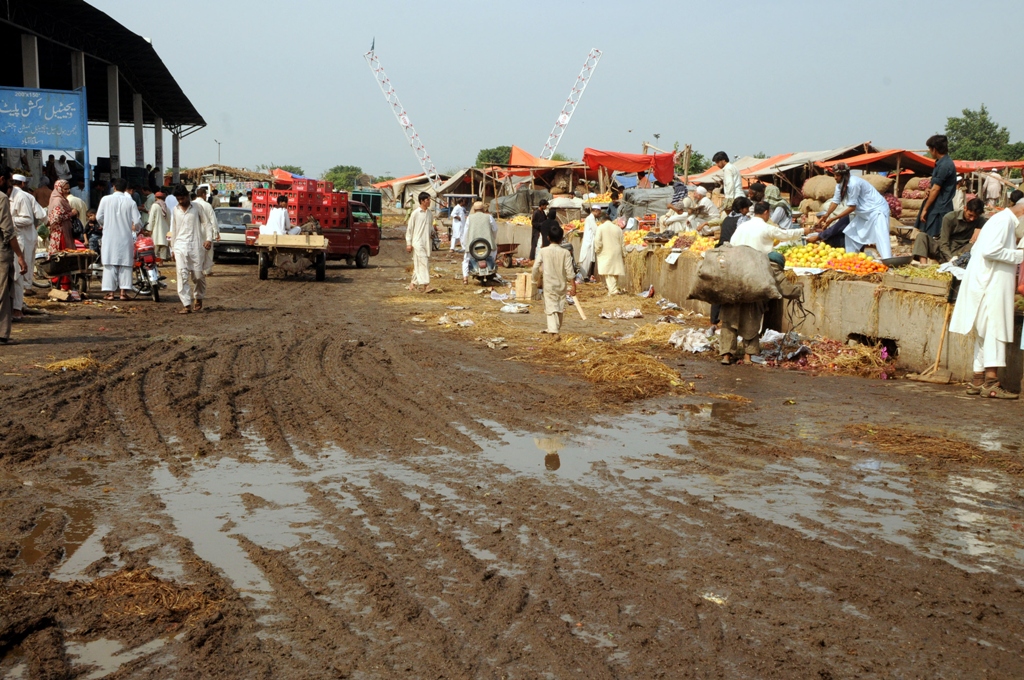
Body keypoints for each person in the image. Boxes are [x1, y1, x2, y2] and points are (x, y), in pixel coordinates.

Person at [948, 192, 1024, 399]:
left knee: (984, 334)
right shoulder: (1004, 222)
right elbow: (991, 251)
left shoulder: (1000, 220)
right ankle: (991, 383)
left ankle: (978, 381)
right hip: (990, 286)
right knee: (994, 333)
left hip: (987, 283)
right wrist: (1020, 255)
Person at [719, 252, 802, 365]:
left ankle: (726, 357)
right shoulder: (774, 270)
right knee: (751, 328)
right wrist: (799, 287)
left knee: (729, 326)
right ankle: (747, 357)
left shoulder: (750, 264)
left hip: (732, 299)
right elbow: (788, 291)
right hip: (752, 303)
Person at [817, 163, 892, 259]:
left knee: (882, 236)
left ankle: (888, 261)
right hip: (863, 213)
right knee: (851, 234)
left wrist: (833, 219)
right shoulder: (839, 185)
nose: (835, 178)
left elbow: (852, 207)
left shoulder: (853, 184)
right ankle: (852, 259)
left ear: (844, 175)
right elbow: (835, 201)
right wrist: (826, 215)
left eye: (838, 175)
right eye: (834, 175)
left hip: (877, 210)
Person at [168, 185, 212, 314]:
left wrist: (209, 239)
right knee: (182, 275)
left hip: (196, 245)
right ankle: (186, 304)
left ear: (187, 196)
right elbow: (174, 230)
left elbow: (206, 223)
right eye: (178, 199)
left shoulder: (197, 207)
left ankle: (198, 297)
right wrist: (172, 249)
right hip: (180, 246)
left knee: (198, 276)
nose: (180, 201)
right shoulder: (175, 210)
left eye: (182, 198)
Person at [96, 177, 142, 301]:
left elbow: (98, 216)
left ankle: (110, 293)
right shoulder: (130, 202)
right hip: (125, 236)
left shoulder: (105, 199)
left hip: (109, 236)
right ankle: (123, 293)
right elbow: (137, 221)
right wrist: (135, 228)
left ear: (114, 187)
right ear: (125, 188)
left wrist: (105, 225)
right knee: (125, 264)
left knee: (109, 263)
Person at [10, 174, 46, 320]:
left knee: (17, 276)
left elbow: (29, 218)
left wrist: (8, 219)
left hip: (22, 240)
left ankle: (17, 309)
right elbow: (43, 215)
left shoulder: (22, 197)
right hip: (13, 239)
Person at [0, 166, 29, 344]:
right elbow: (8, 232)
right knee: (3, 293)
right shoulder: (2, 199)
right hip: (1, 253)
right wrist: (20, 256)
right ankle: (2, 334)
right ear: (2, 180)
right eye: (9, 182)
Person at [532, 224, 577, 334]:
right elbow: (570, 271)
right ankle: (555, 328)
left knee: (551, 309)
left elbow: (535, 266)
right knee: (560, 308)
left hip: (549, 285)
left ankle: (553, 331)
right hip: (561, 285)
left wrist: (534, 279)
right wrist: (573, 286)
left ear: (548, 238)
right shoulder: (565, 252)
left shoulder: (543, 251)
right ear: (561, 239)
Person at [912, 197, 986, 264]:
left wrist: (979, 230)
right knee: (921, 236)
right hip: (943, 249)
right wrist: (950, 258)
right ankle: (923, 266)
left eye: (975, 217)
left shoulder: (979, 220)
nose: (972, 219)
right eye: (970, 215)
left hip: (961, 251)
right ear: (965, 208)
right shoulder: (950, 218)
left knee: (977, 246)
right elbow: (943, 242)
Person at [916, 135, 956, 239]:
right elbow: (934, 185)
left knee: (934, 237)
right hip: (935, 206)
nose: (929, 152)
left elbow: (936, 189)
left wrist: (925, 209)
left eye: (929, 149)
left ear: (934, 149)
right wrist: (928, 188)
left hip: (940, 208)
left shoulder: (945, 165)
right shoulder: (940, 163)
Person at [730, 201, 808, 253]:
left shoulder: (742, 226)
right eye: (769, 212)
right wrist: (803, 231)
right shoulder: (767, 228)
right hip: (759, 263)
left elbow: (732, 242)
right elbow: (786, 234)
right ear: (766, 212)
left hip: (740, 261)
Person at [46, 180, 77, 291]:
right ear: (59, 189)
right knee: (63, 257)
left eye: (68, 189)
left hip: (63, 231)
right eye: (65, 189)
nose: (67, 191)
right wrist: (71, 214)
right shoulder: (58, 200)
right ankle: (63, 283)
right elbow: (57, 218)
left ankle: (62, 283)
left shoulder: (61, 199)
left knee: (63, 258)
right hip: (60, 233)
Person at [461, 201, 496, 284]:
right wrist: (492, 239)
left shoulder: (470, 218)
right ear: (483, 209)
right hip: (487, 246)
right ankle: (492, 273)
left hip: (473, 247)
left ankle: (465, 278)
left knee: (466, 260)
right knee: (493, 256)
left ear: (474, 209)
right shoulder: (489, 217)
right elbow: (495, 229)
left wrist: (465, 244)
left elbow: (466, 232)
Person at [405, 192, 432, 292]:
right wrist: (408, 243)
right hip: (417, 242)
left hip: (427, 242)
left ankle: (412, 284)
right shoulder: (415, 213)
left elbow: (430, 228)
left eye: (429, 199)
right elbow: (409, 229)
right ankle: (426, 285)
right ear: (422, 201)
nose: (429, 202)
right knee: (424, 262)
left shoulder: (429, 213)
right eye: (427, 200)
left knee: (419, 264)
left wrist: (433, 233)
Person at [593, 209, 625, 295]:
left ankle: (613, 291)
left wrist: (597, 250)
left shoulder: (600, 228)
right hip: (616, 252)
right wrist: (623, 254)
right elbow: (622, 243)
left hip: (606, 252)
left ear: (601, 220)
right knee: (615, 272)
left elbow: (597, 241)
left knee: (608, 272)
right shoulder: (618, 228)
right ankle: (614, 289)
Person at [193, 186, 219, 275]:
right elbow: (213, 220)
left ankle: (196, 269)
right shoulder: (207, 205)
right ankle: (207, 270)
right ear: (203, 195)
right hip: (206, 230)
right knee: (208, 250)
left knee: (196, 250)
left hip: (194, 230)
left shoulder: (191, 204)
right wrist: (216, 232)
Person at [577, 204, 601, 282]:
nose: (599, 214)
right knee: (586, 259)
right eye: (599, 212)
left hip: (590, 241)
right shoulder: (590, 218)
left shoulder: (592, 218)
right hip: (589, 242)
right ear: (596, 211)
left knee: (588, 259)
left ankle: (584, 276)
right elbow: (596, 230)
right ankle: (583, 276)